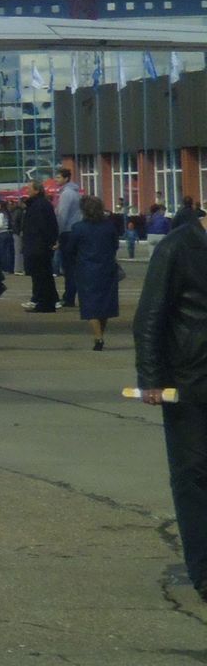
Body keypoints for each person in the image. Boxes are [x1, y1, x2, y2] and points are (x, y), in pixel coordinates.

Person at [133, 209, 207, 603]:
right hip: (189, 381)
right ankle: (204, 569)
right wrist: (151, 377)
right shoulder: (177, 248)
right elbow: (150, 315)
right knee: (194, 474)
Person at [65, 195, 124, 351]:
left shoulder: (78, 228)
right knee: (105, 305)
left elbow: (71, 249)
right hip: (107, 269)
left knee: (90, 305)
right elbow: (115, 245)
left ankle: (98, 337)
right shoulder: (109, 226)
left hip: (86, 270)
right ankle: (100, 335)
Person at [22, 182, 62, 313]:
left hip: (38, 246)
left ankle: (44, 302)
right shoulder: (42, 204)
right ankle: (47, 301)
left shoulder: (38, 206)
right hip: (40, 246)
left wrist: (45, 242)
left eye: (29, 188)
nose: (27, 190)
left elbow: (43, 227)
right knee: (43, 275)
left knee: (41, 275)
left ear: (36, 191)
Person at [57, 163, 84, 308]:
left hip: (67, 232)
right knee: (73, 266)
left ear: (66, 178)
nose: (57, 179)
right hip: (75, 231)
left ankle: (69, 297)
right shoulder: (76, 193)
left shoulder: (66, 194)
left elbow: (62, 215)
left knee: (68, 267)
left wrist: (58, 234)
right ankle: (71, 295)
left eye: (59, 177)